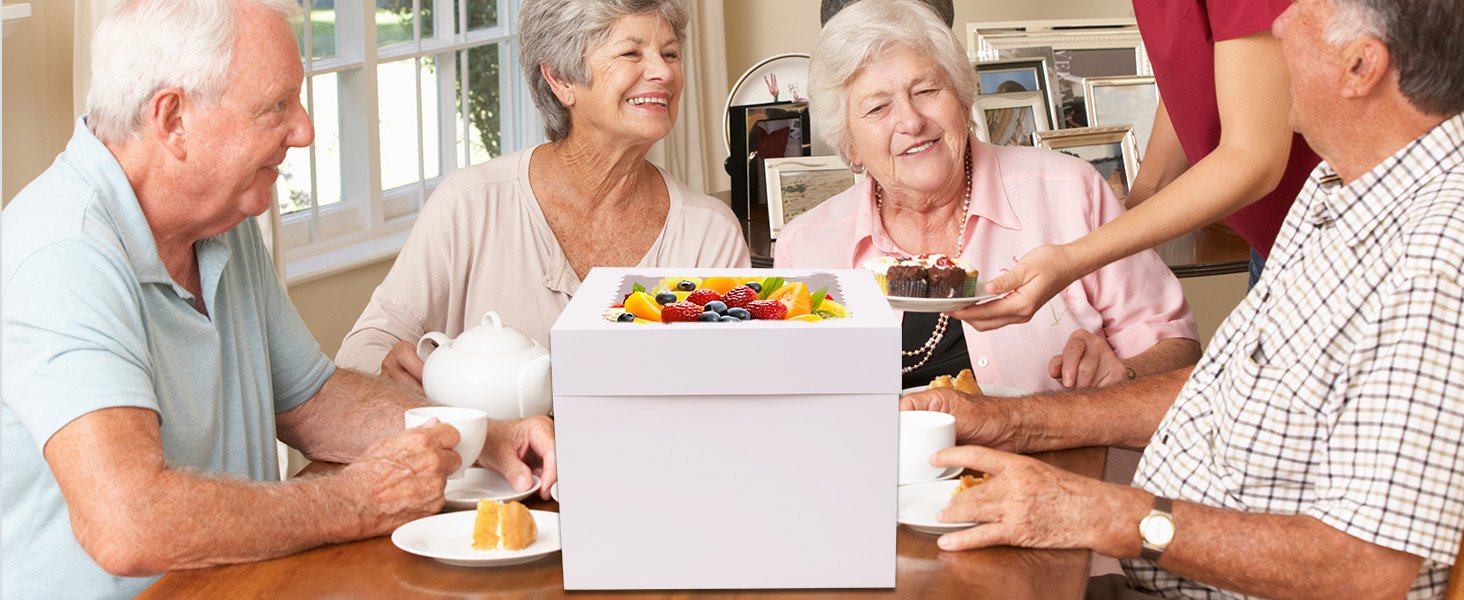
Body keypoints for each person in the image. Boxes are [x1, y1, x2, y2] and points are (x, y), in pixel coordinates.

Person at [904, 0, 1464, 596]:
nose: (1274, 24)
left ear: (1360, 66)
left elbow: (1369, 566)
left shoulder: (1438, 254)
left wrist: (1096, 513)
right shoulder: (1340, 183)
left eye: (1300, 11)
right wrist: (1009, 420)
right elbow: (1228, 390)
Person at [0, 2, 555, 598]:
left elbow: (311, 400)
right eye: (277, 106)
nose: (306, 131)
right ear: (173, 119)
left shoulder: (222, 222)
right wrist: (357, 501)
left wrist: (486, 437)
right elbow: (128, 523)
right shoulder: (64, 256)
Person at [778, 0, 1200, 395]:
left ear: (963, 98)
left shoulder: (1071, 192)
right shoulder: (807, 247)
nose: (911, 121)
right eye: (877, 108)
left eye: (926, 90)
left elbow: (1178, 348)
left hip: (1051, 465)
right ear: (848, 145)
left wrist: (1121, 374)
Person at [336, 0, 750, 388]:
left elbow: (735, 385)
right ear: (561, 79)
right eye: (632, 53)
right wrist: (397, 372)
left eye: (671, 54)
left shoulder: (708, 233)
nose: (663, 72)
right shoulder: (472, 203)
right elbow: (364, 347)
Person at [954, 0, 1324, 331]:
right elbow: (1193, 75)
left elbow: (1253, 159)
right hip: (1280, 239)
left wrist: (1074, 258)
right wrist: (1134, 205)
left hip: (1341, 232)